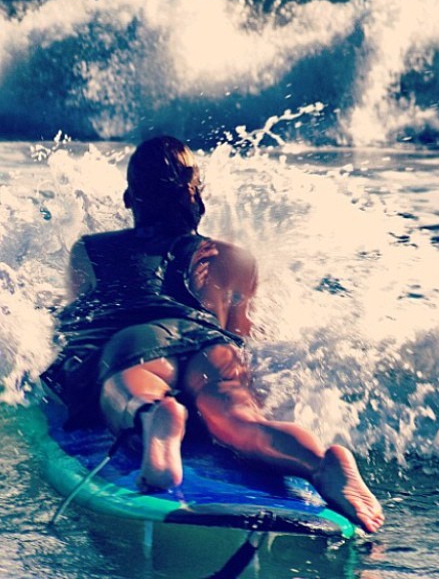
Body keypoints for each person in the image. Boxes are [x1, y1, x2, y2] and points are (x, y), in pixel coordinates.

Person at [41, 136, 383, 534]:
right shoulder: (235, 258)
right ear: (196, 198)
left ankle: (154, 415)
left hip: (135, 341)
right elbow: (240, 334)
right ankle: (322, 463)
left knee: (128, 390)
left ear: (129, 199)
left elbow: (82, 325)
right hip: (210, 345)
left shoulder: (91, 250)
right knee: (240, 418)